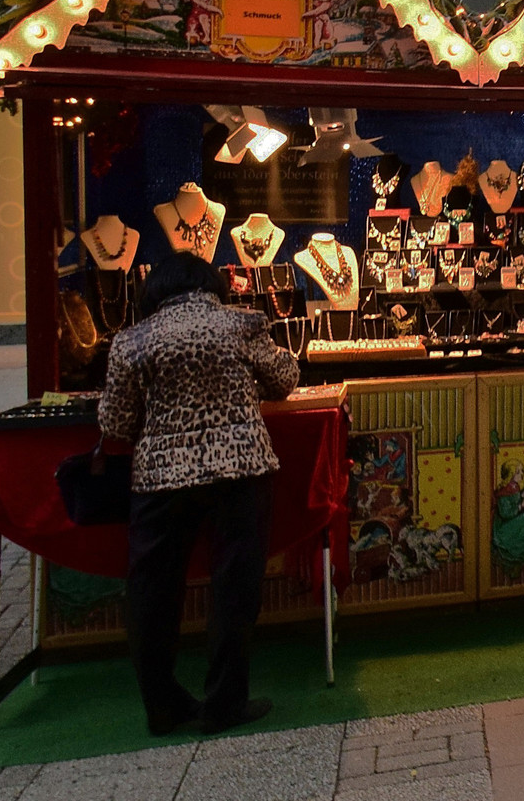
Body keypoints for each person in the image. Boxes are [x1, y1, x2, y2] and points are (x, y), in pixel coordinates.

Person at [98, 251, 299, 736]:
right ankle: (224, 703)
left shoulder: (132, 341)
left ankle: (162, 707)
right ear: (212, 285)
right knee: (235, 588)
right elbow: (284, 382)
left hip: (161, 477)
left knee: (152, 592)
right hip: (239, 468)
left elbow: (116, 424)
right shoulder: (242, 325)